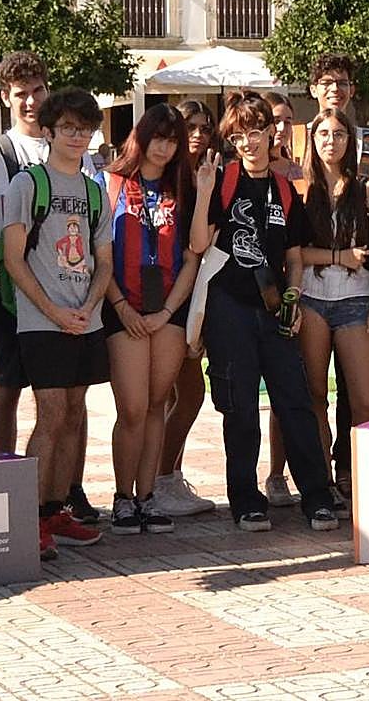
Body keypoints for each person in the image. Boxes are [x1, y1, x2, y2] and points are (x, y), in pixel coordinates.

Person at [189, 92, 340, 533]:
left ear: (271, 133)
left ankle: (315, 494)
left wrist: (292, 299)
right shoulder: (223, 180)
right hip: (228, 307)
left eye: (255, 133)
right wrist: (202, 194)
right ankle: (245, 499)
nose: (248, 143)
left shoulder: (285, 191)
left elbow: (293, 257)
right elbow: (200, 244)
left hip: (274, 310)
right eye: (238, 136)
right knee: (238, 408)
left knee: (294, 400)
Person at [0, 51, 100, 524]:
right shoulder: (1, 154)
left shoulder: (80, 152)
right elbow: (8, 238)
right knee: (12, 389)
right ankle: (10, 485)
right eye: (20, 94)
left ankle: (67, 490)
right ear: (6, 99)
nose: (30, 100)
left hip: (74, 298)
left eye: (37, 90)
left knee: (73, 399)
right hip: (18, 293)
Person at [1, 87, 112, 560]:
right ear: (48, 131)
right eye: (68, 127)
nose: (77, 136)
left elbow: (103, 259)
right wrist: (53, 311)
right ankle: (25, 519)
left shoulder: (93, 190)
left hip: (84, 318)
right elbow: (11, 258)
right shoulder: (28, 185)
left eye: (84, 128)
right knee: (48, 416)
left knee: (73, 415)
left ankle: (54, 509)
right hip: (41, 320)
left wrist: (88, 306)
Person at [100, 104, 201, 535]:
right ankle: (123, 497)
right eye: (157, 136)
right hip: (122, 306)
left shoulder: (185, 187)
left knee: (158, 403)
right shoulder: (112, 183)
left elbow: (193, 255)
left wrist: (166, 312)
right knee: (133, 407)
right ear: (140, 137)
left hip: (168, 309)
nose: (163, 146)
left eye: (172, 139)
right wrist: (121, 305)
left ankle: (147, 495)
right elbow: (97, 251)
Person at [299, 108, 369, 515]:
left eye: (339, 134)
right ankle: (322, 484)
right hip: (312, 296)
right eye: (323, 134)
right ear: (313, 139)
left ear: (350, 141)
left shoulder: (367, 187)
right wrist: (340, 255)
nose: (331, 141)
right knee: (315, 395)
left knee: (364, 399)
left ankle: (361, 476)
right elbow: (296, 252)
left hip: (357, 299)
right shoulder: (302, 188)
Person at [151, 100, 219, 517]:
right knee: (182, 392)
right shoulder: (169, 180)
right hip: (166, 296)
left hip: (198, 294)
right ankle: (160, 480)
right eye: (188, 127)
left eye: (203, 127)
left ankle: (167, 476)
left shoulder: (203, 175)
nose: (197, 134)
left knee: (186, 392)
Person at [261, 91, 302, 507]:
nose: (280, 127)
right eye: (274, 119)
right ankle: (267, 475)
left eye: (287, 120)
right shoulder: (239, 172)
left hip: (293, 289)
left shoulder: (297, 173)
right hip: (250, 294)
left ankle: (283, 473)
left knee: (290, 390)